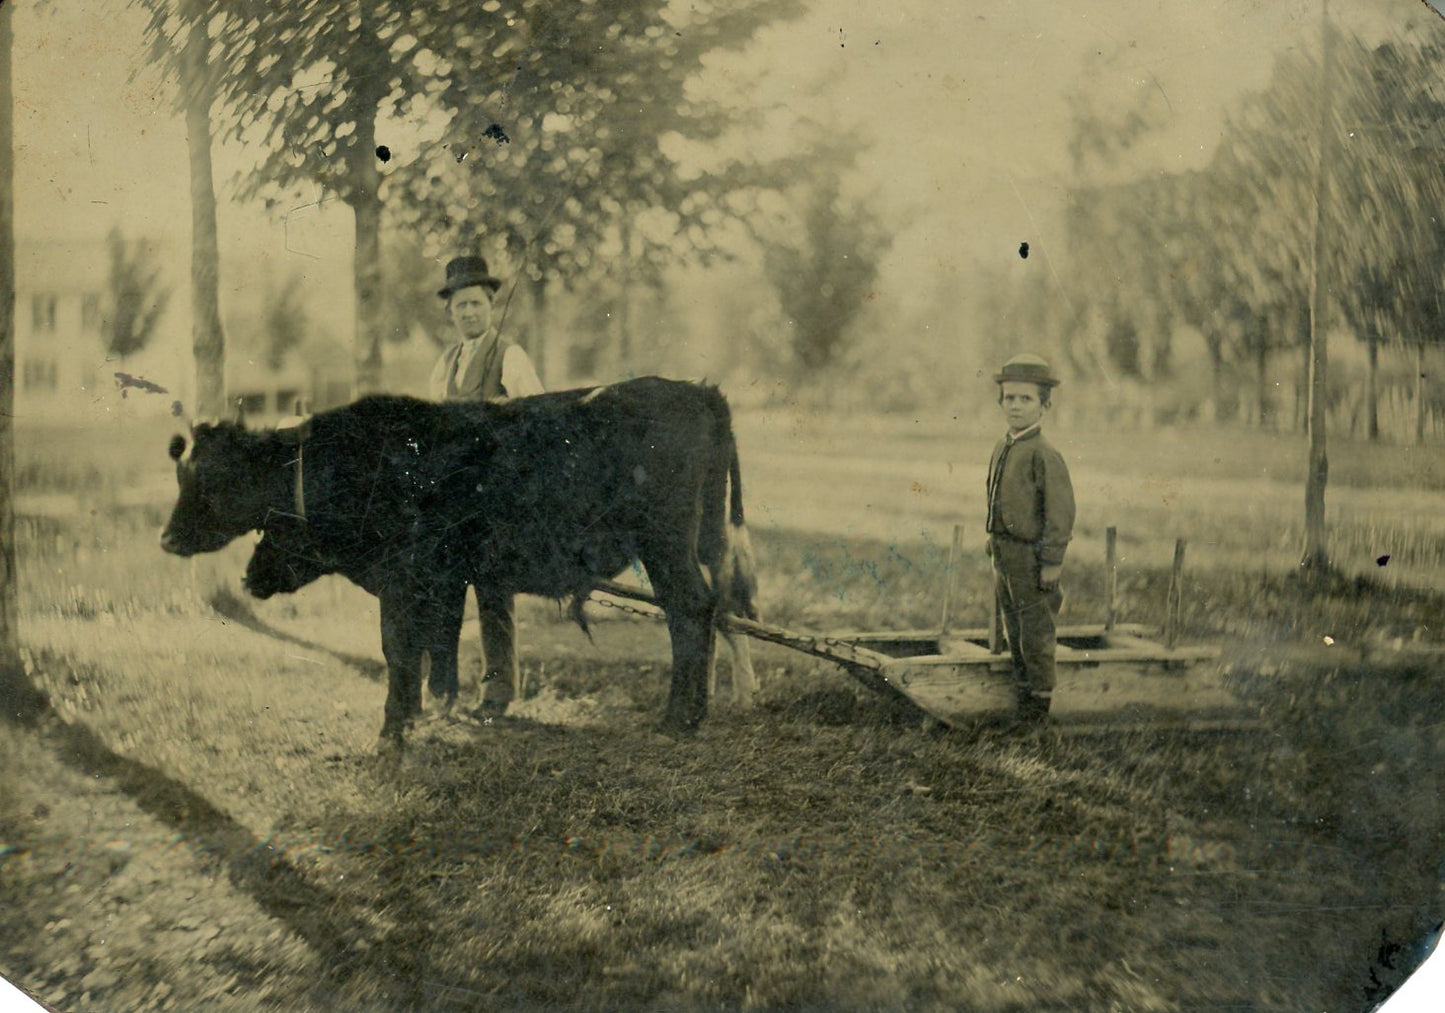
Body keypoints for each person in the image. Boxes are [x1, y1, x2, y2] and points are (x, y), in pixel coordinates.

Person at [428, 254, 544, 717]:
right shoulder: (446, 363)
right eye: (461, 306)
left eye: (476, 304)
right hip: (455, 502)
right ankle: (441, 691)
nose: (469, 313)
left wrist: (502, 420)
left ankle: (497, 694)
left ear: (491, 304)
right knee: (444, 595)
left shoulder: (509, 356)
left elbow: (539, 421)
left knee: (494, 598)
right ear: (450, 312)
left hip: (497, 500)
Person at [985, 353, 1075, 727]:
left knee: (1035, 634)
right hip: (1005, 555)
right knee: (1014, 629)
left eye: (1026, 399)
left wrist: (1052, 562)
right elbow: (996, 496)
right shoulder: (1004, 447)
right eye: (1010, 398)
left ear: (1044, 405)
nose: (1016, 406)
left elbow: (1060, 513)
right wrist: (993, 538)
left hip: (1032, 559)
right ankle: (1021, 703)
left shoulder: (1044, 454)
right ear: (1000, 401)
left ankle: (1037, 715)